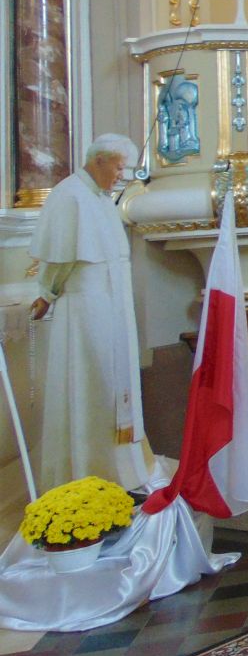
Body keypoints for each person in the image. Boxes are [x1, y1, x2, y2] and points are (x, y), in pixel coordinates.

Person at [29, 134, 168, 492]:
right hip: (86, 306)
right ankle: (87, 468)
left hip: (113, 304)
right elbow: (60, 257)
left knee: (115, 381)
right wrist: (47, 293)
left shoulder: (102, 199)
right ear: (100, 160)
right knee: (92, 380)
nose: (121, 175)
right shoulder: (70, 195)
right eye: (119, 167)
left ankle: (121, 469)